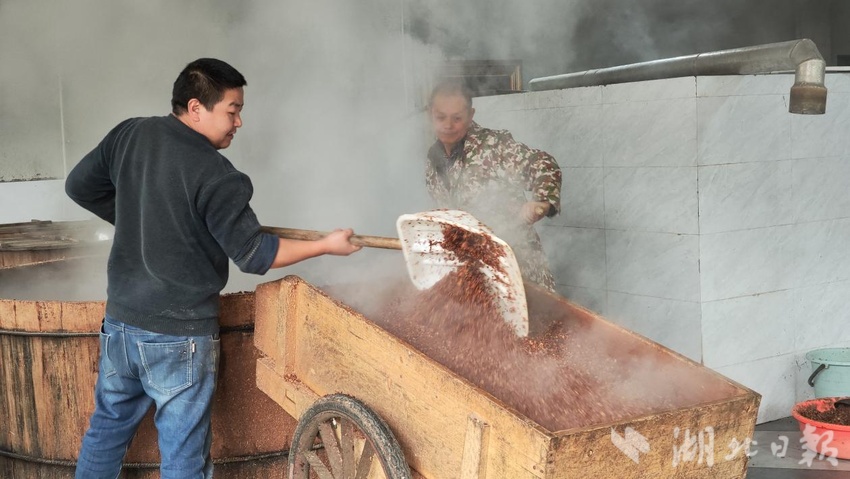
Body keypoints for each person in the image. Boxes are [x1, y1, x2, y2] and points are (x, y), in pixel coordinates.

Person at [65, 58, 361, 479]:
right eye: (232, 110)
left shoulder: (131, 133)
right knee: (184, 456)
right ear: (196, 107)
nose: (239, 121)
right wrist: (327, 245)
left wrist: (146, 217)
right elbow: (256, 255)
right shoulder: (217, 174)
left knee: (106, 431)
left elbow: (78, 186)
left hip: (121, 324)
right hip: (177, 335)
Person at [425, 79, 562, 292]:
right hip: (474, 276)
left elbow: (543, 164)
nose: (448, 125)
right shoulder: (433, 160)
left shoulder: (494, 146)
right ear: (430, 115)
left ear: (471, 115)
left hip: (518, 271)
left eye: (457, 118)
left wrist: (541, 203)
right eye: (440, 117)